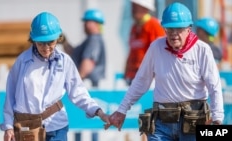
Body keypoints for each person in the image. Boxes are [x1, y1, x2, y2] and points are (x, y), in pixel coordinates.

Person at [105, 2, 224, 141]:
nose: (173, 34)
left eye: (178, 29)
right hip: (162, 124)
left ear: (188, 29)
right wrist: (121, 110)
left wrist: (217, 120)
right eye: (169, 29)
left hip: (193, 122)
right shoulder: (156, 47)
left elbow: (214, 86)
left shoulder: (202, 50)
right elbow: (140, 82)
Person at [0, 11, 109, 141]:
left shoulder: (64, 61)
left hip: (57, 127)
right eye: (40, 43)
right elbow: (10, 95)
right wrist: (8, 126)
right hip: (27, 128)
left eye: (50, 42)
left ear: (58, 38)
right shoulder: (22, 62)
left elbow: (78, 92)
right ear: (33, 40)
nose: (46, 48)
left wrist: (98, 111)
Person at [124, 0, 165, 85]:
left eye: (136, 6)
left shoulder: (154, 26)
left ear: (145, 8)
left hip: (149, 79)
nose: (133, 9)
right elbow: (132, 52)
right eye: (133, 6)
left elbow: (161, 53)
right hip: (133, 77)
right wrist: (126, 72)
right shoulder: (134, 27)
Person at [71, 8, 106, 88]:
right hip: (89, 86)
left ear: (96, 23)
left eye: (87, 22)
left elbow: (88, 63)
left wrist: (76, 84)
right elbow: (73, 53)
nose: (85, 25)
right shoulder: (89, 40)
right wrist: (64, 42)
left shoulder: (94, 40)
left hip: (90, 87)